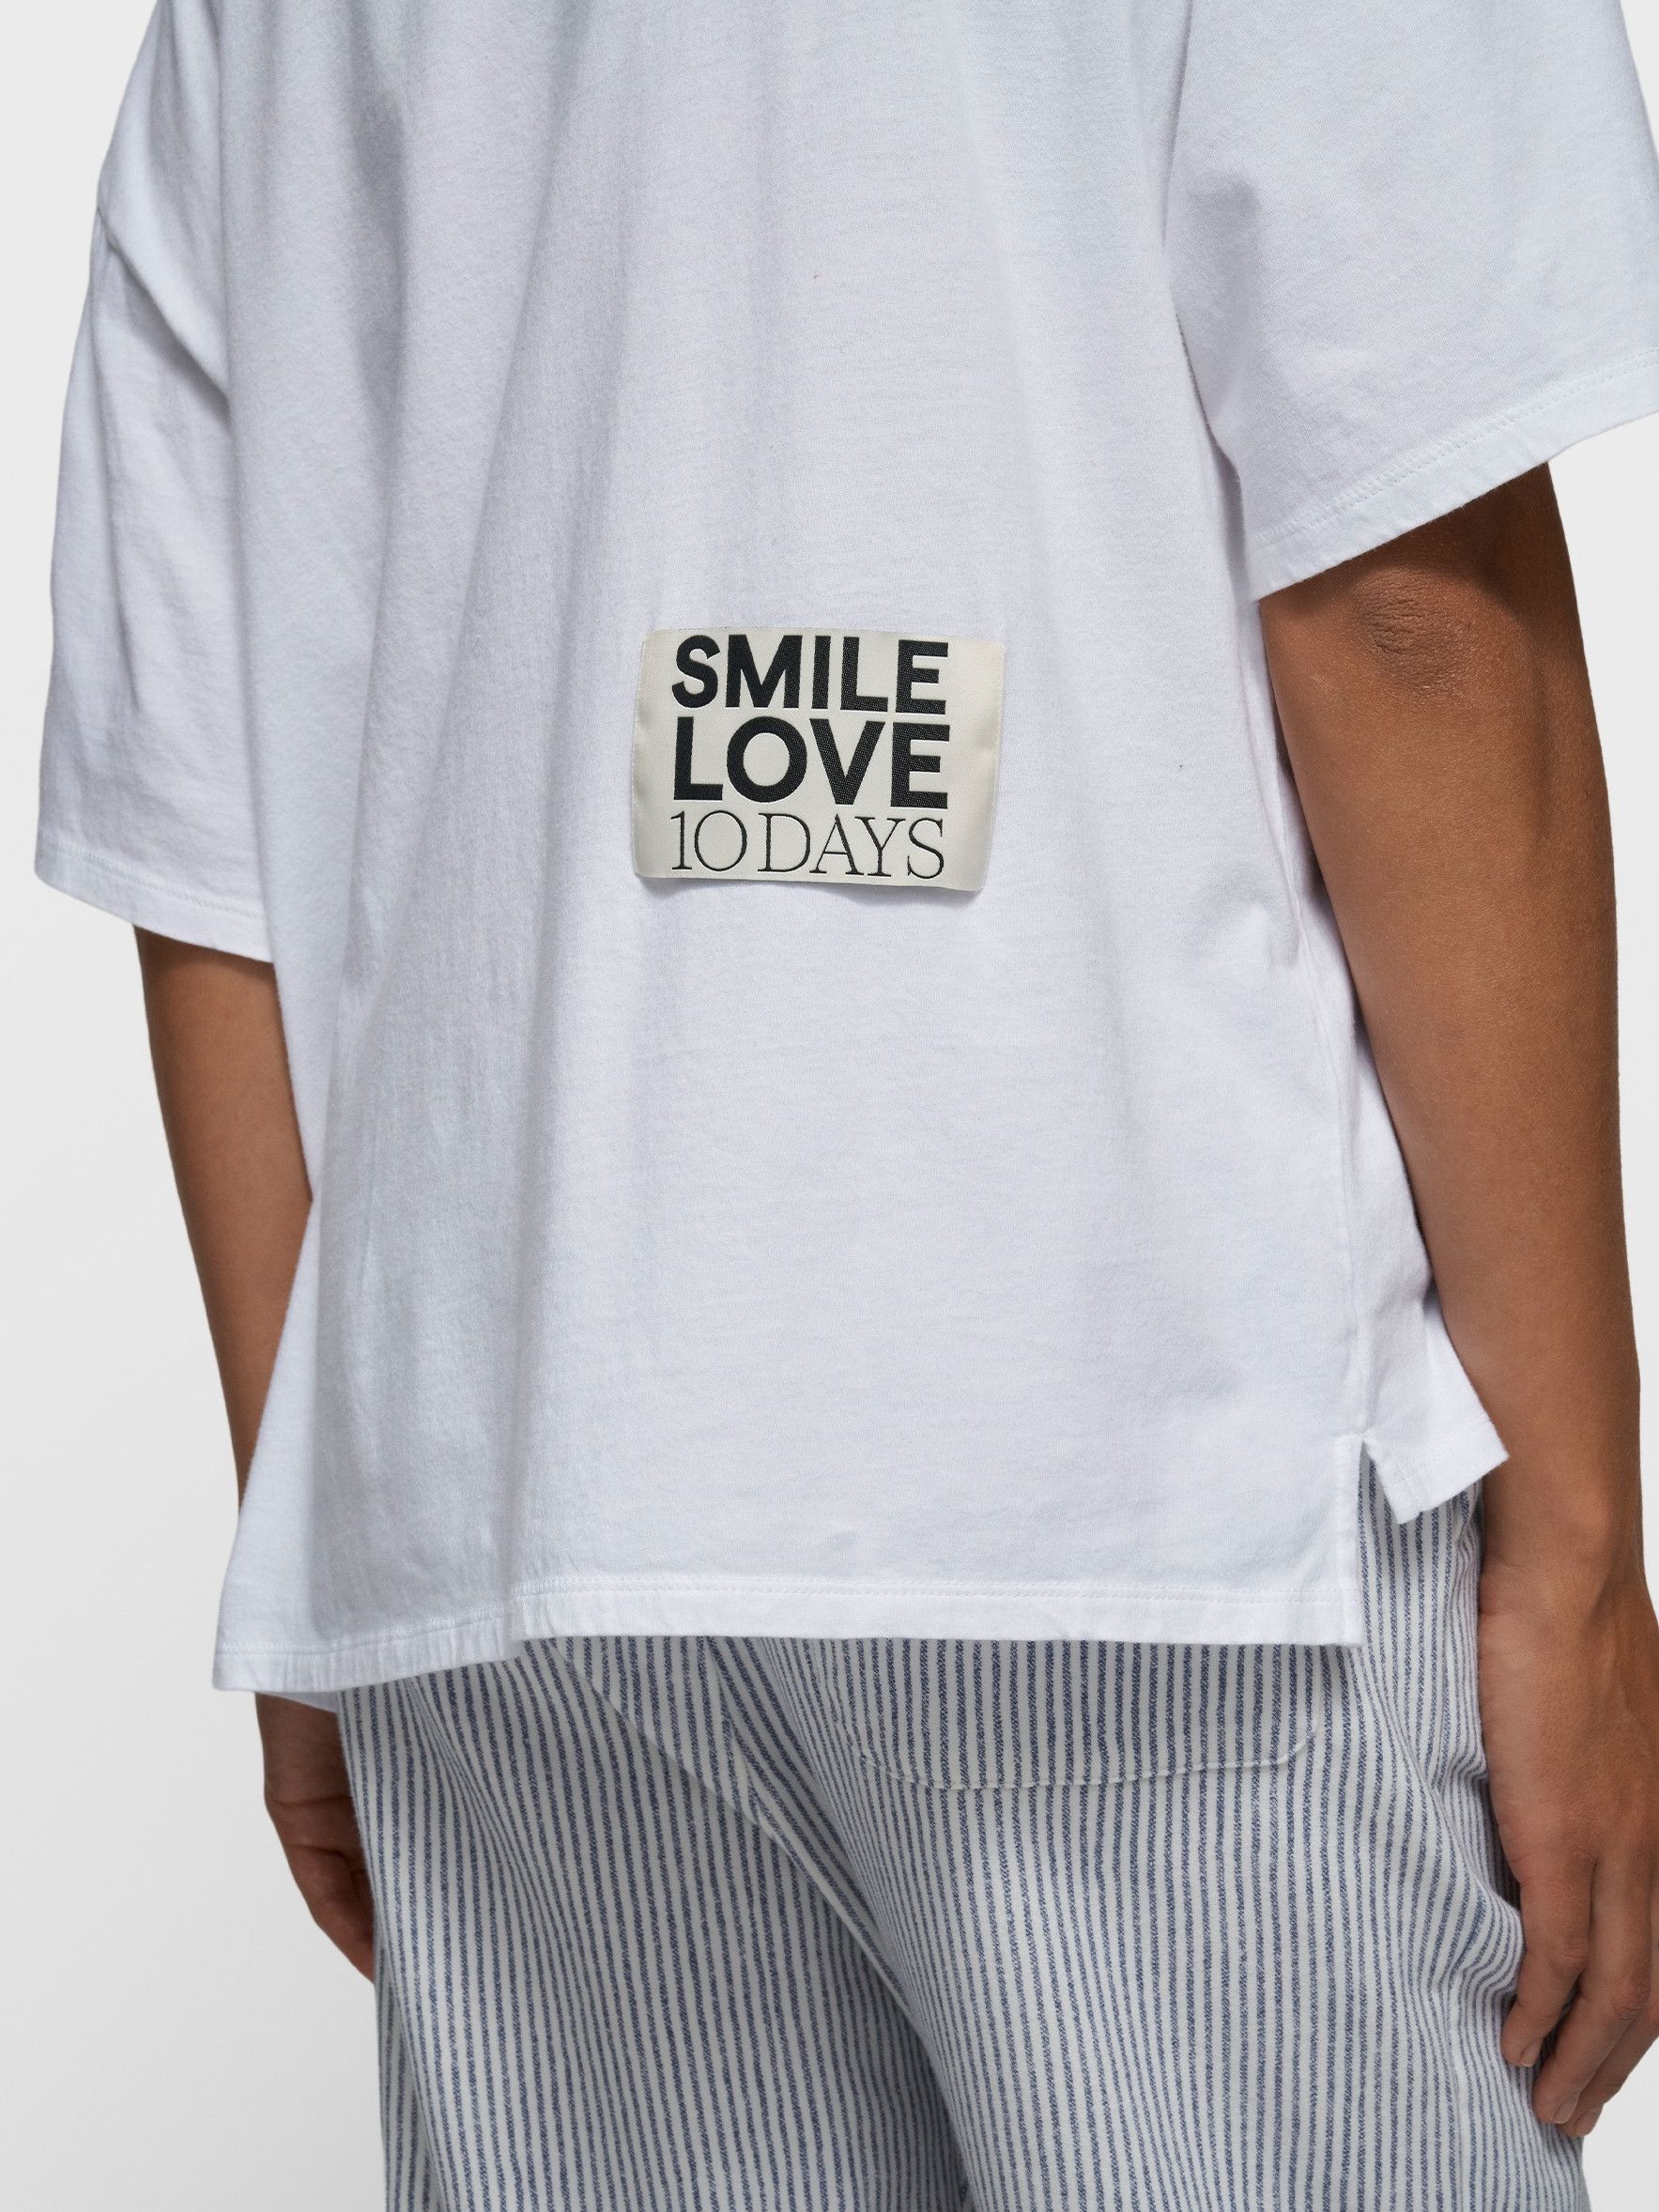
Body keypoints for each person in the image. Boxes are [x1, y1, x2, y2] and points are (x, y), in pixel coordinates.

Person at [36, 0, 1659, 2204]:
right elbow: (1398, 606)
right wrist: (1572, 1544)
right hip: (1139, 1501)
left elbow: (203, 810)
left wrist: (321, 1532)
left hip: (510, 1508)